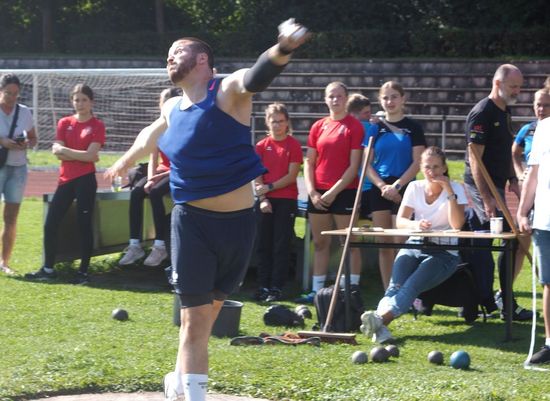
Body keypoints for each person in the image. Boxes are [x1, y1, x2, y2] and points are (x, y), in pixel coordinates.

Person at [104, 19, 309, 401]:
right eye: (168, 54)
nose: (170, 57)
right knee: (196, 321)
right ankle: (192, 394)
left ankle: (176, 382)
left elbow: (256, 77)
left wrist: (282, 49)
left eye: (177, 51)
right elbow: (152, 133)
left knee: (202, 321)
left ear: (202, 60)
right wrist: (126, 160)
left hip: (239, 226)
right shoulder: (172, 106)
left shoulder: (226, 91)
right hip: (192, 224)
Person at [360, 146, 467, 343]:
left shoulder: (457, 188)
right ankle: (380, 328)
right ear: (420, 167)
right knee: (394, 286)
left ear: (444, 168)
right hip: (415, 244)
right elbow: (401, 221)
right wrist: (416, 224)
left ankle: (380, 319)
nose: (432, 172)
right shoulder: (415, 187)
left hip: (444, 253)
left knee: (411, 286)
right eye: (427, 167)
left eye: (436, 167)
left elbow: (457, 224)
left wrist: (449, 191)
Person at [462, 64, 533, 320]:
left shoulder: (506, 111)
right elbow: (474, 159)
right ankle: (490, 302)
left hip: (500, 184)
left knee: (510, 241)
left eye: (519, 86)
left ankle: (501, 301)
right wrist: (488, 199)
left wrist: (513, 180)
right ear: (498, 83)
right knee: (500, 240)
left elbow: (503, 151)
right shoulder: (482, 112)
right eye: (513, 86)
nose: (518, 91)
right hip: (482, 187)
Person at [25, 84, 105, 284]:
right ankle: (48, 269)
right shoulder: (64, 122)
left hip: (86, 180)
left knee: (84, 225)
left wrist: (67, 152)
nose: (80, 104)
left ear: (91, 102)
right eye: (76, 100)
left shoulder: (97, 125)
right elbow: (61, 151)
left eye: (84, 100)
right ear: (72, 101)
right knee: (50, 223)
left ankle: (83, 272)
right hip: (65, 180)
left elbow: (90, 156)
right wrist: (84, 156)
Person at [295, 81, 364, 304]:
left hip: (344, 191)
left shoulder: (354, 126)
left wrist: (334, 192)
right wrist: (313, 192)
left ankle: (352, 290)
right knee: (320, 243)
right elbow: (310, 162)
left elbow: (353, 167)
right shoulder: (318, 126)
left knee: (349, 243)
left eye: (339, 96)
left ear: (346, 99)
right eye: (331, 96)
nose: (335, 100)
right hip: (318, 193)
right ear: (325, 99)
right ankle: (317, 290)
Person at [362, 81, 426, 289]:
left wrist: (397, 186)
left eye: (394, 97)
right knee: (384, 244)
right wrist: (383, 187)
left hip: (405, 188)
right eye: (385, 98)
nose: (390, 101)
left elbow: (418, 162)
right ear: (380, 100)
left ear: (403, 98)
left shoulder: (413, 128)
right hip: (379, 189)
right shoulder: (373, 129)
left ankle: (404, 289)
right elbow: (366, 164)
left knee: (401, 243)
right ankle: (388, 291)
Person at [118, 87, 181, 267]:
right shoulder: (157, 127)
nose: (163, 105)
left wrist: (155, 181)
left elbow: (181, 161)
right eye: (162, 101)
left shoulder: (180, 126)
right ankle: (134, 245)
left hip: (176, 170)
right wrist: (152, 177)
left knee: (154, 193)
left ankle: (160, 245)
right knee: (137, 191)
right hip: (161, 170)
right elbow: (153, 156)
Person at [253, 103, 302, 302]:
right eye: (273, 121)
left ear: (287, 122)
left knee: (281, 244)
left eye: (281, 121)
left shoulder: (294, 145)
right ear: (267, 122)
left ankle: (277, 287)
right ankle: (262, 285)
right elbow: (256, 174)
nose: (277, 125)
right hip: (266, 201)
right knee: (263, 244)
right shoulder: (261, 146)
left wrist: (269, 187)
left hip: (286, 200)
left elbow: (291, 176)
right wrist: (263, 198)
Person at [518, 115, 550, 364]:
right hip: (545, 220)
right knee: (549, 283)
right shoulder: (543, 128)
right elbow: (533, 173)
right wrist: (522, 210)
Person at [0, 73, 37, 275]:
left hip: (18, 168)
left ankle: (4, 262)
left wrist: (25, 144)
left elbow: (33, 138)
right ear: (0, 91)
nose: (12, 98)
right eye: (8, 93)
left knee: (11, 217)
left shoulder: (24, 112)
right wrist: (2, 141)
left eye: (15, 94)